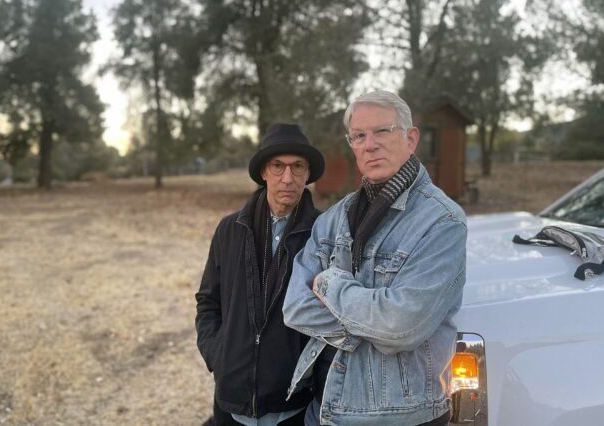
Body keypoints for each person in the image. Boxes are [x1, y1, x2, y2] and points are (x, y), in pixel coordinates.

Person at [282, 91, 467, 426]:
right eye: (359, 136)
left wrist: (329, 284)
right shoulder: (334, 218)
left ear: (411, 139)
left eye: (382, 131)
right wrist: (374, 324)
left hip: (399, 417)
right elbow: (295, 307)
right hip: (324, 409)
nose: (370, 145)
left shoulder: (442, 222)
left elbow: (402, 326)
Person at [195, 123, 326, 426]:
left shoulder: (324, 235)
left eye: (297, 167)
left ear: (307, 174)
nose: (287, 178)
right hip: (231, 405)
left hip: (293, 409)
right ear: (264, 172)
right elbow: (208, 302)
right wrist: (218, 355)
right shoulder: (230, 229)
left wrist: (313, 378)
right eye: (278, 166)